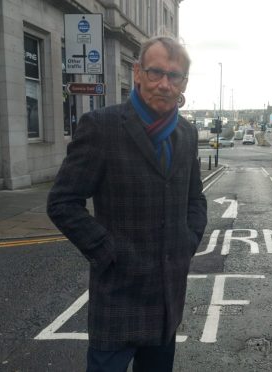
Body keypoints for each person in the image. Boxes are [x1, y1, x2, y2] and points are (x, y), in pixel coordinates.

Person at [47, 36, 207, 371]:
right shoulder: (102, 127)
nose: (164, 84)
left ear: (184, 83)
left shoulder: (187, 134)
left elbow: (195, 197)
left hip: (166, 302)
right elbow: (63, 202)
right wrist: (109, 253)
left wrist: (187, 241)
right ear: (137, 73)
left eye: (173, 76)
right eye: (155, 72)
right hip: (118, 299)